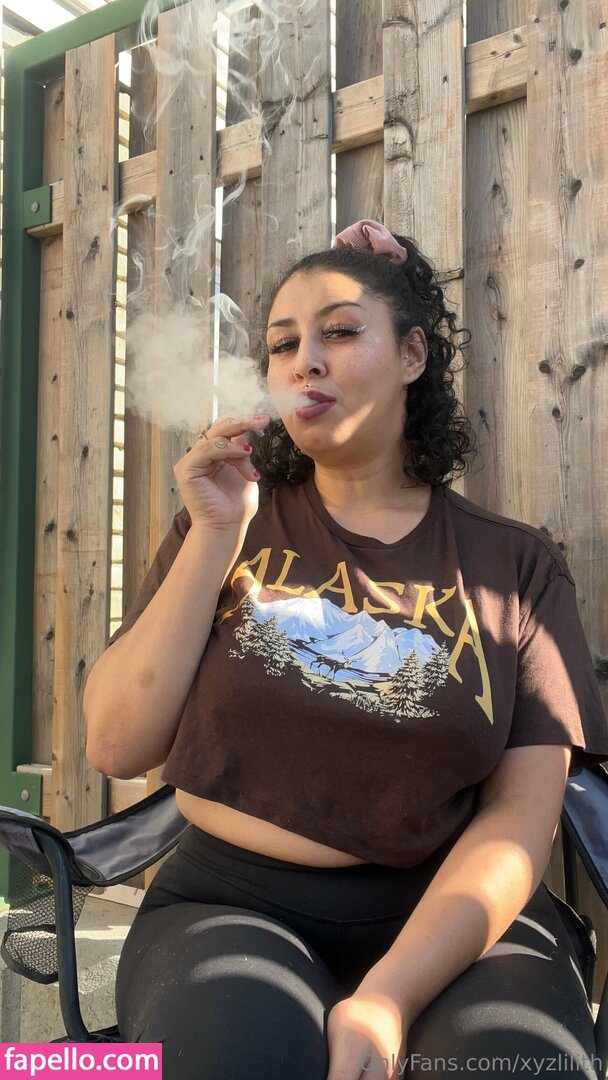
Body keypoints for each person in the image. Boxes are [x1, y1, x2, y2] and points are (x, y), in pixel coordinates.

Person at [83, 220, 608, 1080]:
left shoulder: (515, 567)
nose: (305, 362)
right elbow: (115, 743)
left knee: (515, 1065)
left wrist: (389, 996)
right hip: (229, 902)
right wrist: (215, 536)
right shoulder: (226, 525)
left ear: (412, 355)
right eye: (283, 344)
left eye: (338, 331)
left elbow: (521, 821)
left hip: (456, 917)